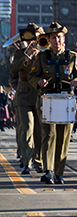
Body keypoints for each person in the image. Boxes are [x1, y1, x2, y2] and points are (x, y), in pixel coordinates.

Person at [28, 22, 77, 184]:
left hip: (66, 101)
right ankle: (48, 171)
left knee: (63, 138)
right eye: (53, 37)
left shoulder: (72, 57)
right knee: (49, 135)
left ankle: (59, 172)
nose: (56, 40)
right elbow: (32, 76)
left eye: (59, 37)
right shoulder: (41, 57)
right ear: (49, 39)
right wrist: (39, 82)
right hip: (47, 100)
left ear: (63, 38)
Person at [10, 23, 44, 174]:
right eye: (30, 36)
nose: (33, 40)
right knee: (27, 128)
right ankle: (27, 161)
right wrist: (27, 56)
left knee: (40, 131)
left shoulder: (44, 53)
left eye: (36, 36)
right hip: (23, 95)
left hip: (39, 95)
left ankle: (38, 161)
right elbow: (13, 70)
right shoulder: (19, 54)